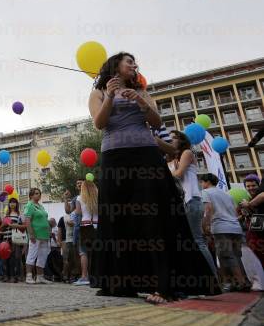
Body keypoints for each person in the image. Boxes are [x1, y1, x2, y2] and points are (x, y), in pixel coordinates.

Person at [88, 52, 220, 303]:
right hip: (115, 158)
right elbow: (99, 122)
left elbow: (157, 121)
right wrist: (111, 96)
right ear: (116, 65)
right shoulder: (98, 93)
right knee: (119, 218)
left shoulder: (142, 91)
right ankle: (122, 283)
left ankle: (164, 284)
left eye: (135, 63)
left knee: (154, 215)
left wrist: (140, 101)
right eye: (129, 61)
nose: (134, 65)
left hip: (146, 155)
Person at [170, 130, 217, 275]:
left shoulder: (187, 153)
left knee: (197, 240)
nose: (170, 140)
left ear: (181, 140)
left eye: (173, 138)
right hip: (182, 203)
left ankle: (213, 278)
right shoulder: (174, 159)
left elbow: (179, 174)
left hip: (191, 201)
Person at [200, 174, 251, 292]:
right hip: (235, 227)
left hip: (221, 227)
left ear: (206, 182)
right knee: (236, 256)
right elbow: (235, 211)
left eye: (202, 182)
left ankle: (241, 283)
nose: (201, 185)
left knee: (227, 256)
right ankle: (240, 282)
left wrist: (205, 226)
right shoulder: (226, 194)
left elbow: (207, 210)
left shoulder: (206, 192)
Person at [23, 188, 51, 284]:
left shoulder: (40, 206)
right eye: (36, 193)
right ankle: (29, 276)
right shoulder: (29, 205)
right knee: (32, 255)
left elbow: (44, 219)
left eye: (39, 193)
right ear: (31, 195)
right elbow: (27, 220)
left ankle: (40, 277)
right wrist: (31, 234)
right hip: (36, 234)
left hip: (44, 235)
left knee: (42, 256)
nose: (38, 195)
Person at [73, 181, 98, 286]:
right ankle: (96, 276)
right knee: (96, 252)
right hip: (97, 226)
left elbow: (78, 213)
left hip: (85, 225)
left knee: (83, 252)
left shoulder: (79, 198)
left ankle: (84, 276)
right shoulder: (98, 197)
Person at [240, 174, 264, 267]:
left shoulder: (256, 199)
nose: (251, 188)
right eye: (248, 186)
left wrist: (249, 205)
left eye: (253, 185)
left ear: (259, 186)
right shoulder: (248, 200)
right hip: (255, 234)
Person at [58, 198, 80, 283]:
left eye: (71, 205)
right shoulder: (63, 218)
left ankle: (73, 276)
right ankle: (65, 275)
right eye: (68, 205)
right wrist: (59, 242)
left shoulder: (78, 216)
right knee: (66, 260)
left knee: (74, 259)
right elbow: (60, 231)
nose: (70, 207)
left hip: (75, 240)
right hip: (65, 241)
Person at [3, 198, 26, 283]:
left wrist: (14, 225)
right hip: (6, 237)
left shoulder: (20, 215)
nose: (12, 204)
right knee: (6, 258)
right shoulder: (6, 215)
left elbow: (24, 227)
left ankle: (14, 276)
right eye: (11, 202)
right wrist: (4, 225)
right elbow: (2, 227)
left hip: (16, 238)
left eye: (14, 202)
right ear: (8, 204)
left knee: (15, 258)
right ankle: (6, 276)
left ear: (17, 204)